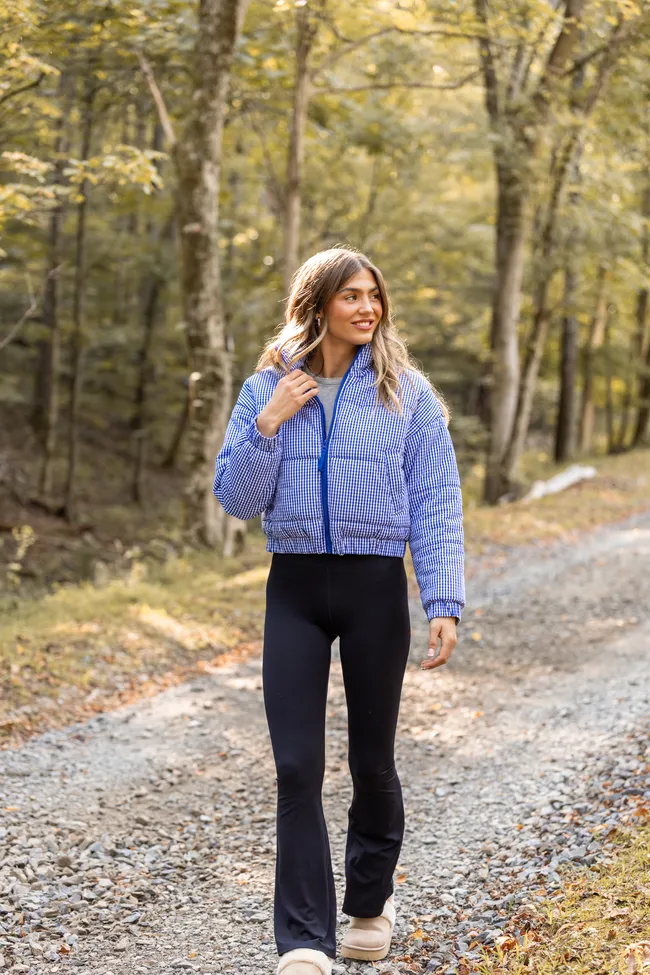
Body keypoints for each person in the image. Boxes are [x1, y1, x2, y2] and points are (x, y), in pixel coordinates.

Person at [213, 247, 465, 975]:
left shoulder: (405, 394)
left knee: (371, 761)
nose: (366, 308)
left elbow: (437, 501)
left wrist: (442, 598)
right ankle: (301, 939)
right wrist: (267, 422)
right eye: (350, 295)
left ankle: (367, 906)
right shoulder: (268, 385)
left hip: (374, 587)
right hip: (292, 586)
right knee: (296, 765)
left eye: (373, 295)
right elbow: (235, 501)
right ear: (317, 304)